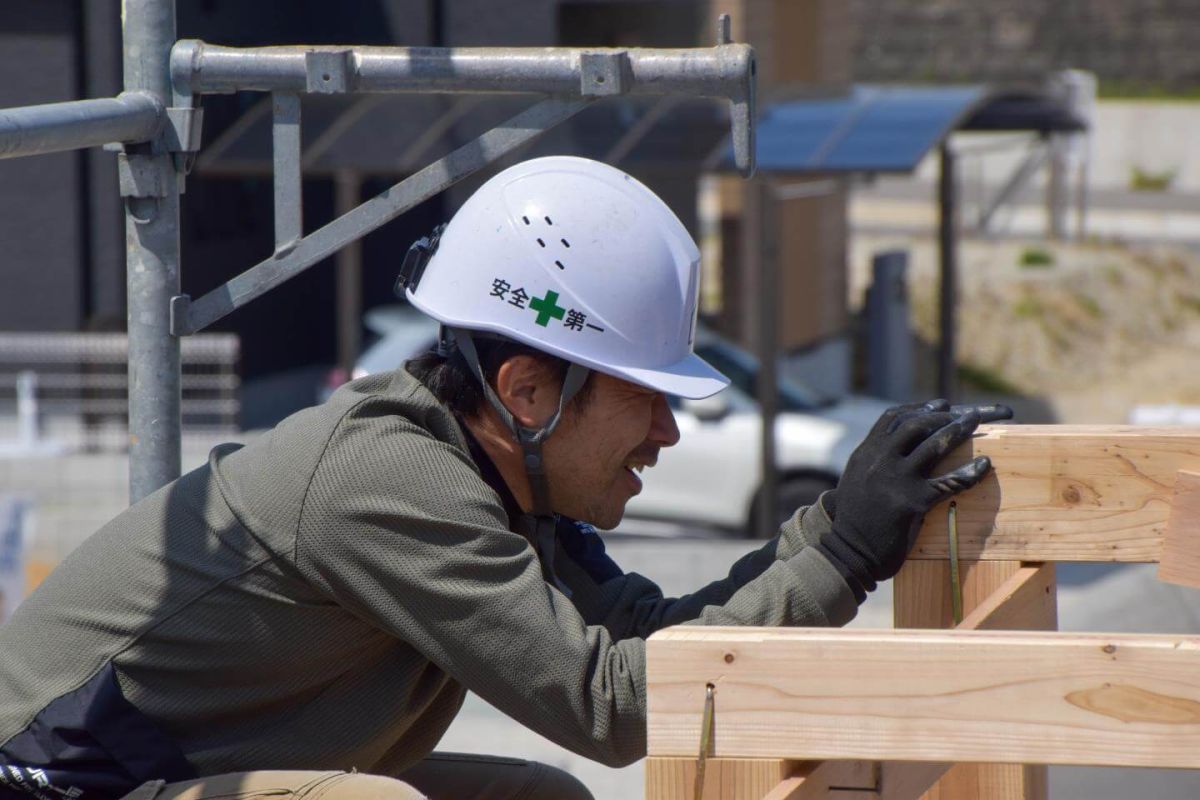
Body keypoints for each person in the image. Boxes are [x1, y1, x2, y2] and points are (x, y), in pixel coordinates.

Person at [0, 156, 1010, 800]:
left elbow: (648, 646)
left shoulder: (494, 483)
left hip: (169, 769)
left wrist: (833, 532)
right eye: (642, 397)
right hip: (60, 780)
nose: (664, 430)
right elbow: (609, 708)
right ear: (529, 389)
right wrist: (836, 550)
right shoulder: (392, 480)